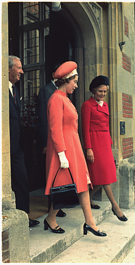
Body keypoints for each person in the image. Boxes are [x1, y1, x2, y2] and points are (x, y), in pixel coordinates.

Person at [44, 61, 106, 236]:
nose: (77, 85)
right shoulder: (56, 99)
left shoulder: (65, 99)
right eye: (75, 81)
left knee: (83, 184)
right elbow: (55, 129)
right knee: (65, 186)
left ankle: (90, 222)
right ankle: (51, 218)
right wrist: (62, 154)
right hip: (63, 150)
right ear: (66, 80)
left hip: (74, 148)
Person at [81, 75, 128, 222]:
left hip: (105, 143)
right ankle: (115, 206)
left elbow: (107, 126)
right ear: (94, 90)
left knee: (104, 175)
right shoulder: (87, 105)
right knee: (103, 176)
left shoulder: (105, 105)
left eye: (105, 91)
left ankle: (86, 198)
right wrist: (88, 148)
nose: (103, 94)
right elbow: (85, 129)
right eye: (100, 91)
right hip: (94, 143)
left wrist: (109, 143)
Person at [9, 55, 40, 227]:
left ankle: (24, 217)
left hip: (17, 147)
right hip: (5, 147)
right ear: (8, 68)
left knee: (22, 181)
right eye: (19, 68)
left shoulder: (15, 90)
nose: (22, 71)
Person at [37, 64, 66, 218]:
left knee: (60, 175)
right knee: (51, 174)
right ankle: (51, 208)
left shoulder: (65, 91)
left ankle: (58, 206)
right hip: (49, 139)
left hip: (62, 139)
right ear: (54, 73)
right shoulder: (45, 90)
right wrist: (44, 143)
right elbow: (43, 119)